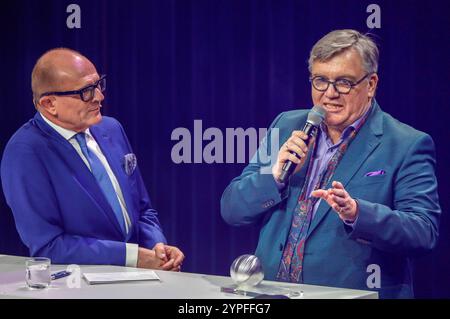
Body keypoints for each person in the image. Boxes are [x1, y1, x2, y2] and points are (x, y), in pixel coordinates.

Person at [221, 29, 440, 298]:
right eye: (320, 81)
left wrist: (358, 213)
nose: (330, 93)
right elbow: (232, 209)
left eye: (344, 82)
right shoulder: (287, 125)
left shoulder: (406, 144)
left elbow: (423, 232)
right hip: (271, 293)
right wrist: (274, 176)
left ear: (371, 84)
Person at [1, 48, 184, 271]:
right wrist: (133, 257)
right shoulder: (25, 152)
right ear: (49, 104)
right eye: (86, 91)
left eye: (98, 84)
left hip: (140, 278)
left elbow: (143, 210)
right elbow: (48, 246)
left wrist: (158, 247)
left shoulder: (111, 128)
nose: (99, 96)